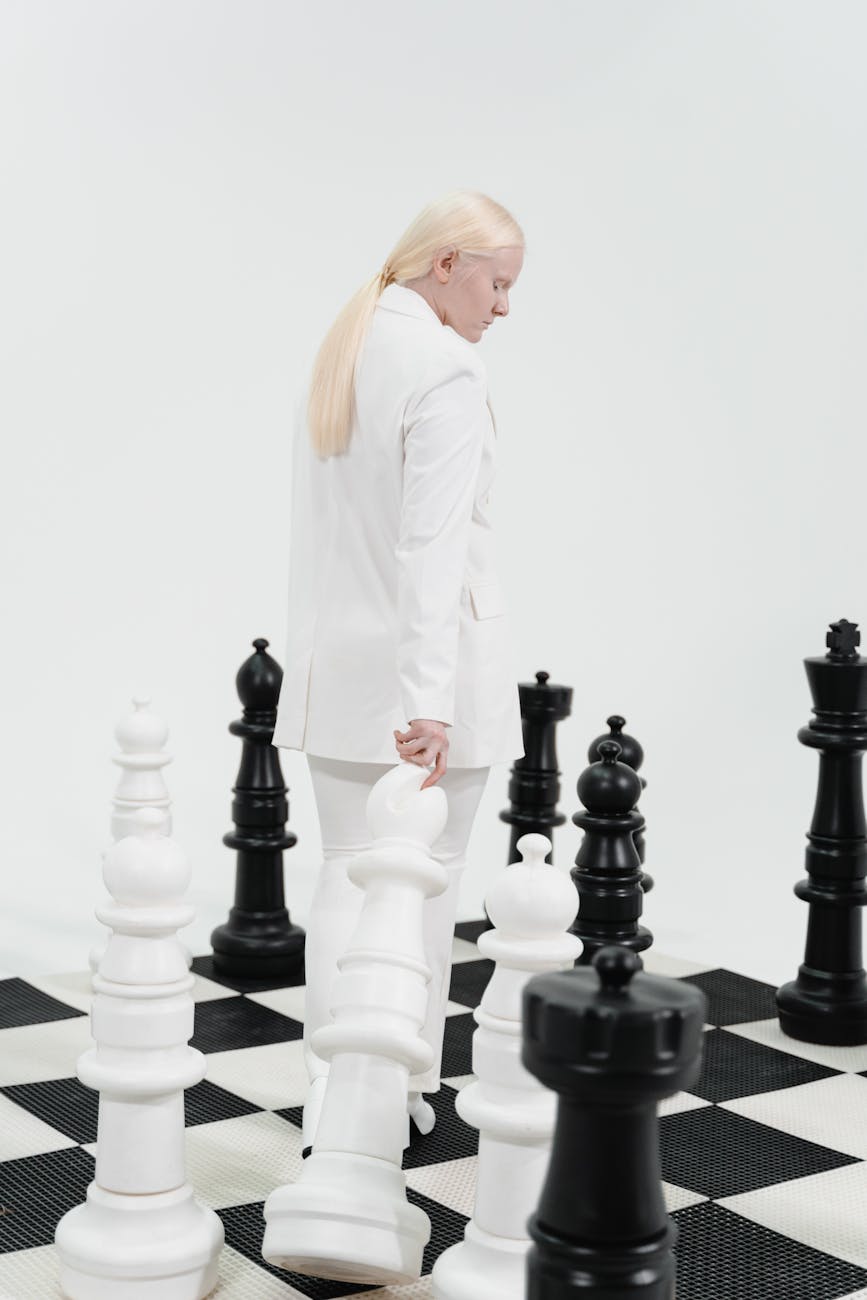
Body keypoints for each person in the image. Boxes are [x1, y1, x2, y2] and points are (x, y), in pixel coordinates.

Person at [272, 188, 526, 1150]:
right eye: (497, 283)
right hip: (429, 682)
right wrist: (427, 704)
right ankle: (393, 1098)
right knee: (425, 887)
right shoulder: (446, 369)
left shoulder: (346, 348)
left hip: (333, 669)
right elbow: (432, 549)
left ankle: (334, 1099)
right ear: (447, 265)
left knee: (344, 879)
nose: (503, 307)